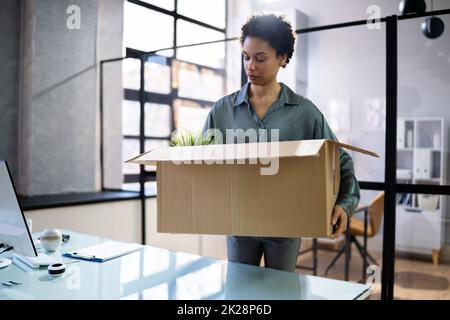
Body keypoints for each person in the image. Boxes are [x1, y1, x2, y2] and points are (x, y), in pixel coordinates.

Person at [202, 13, 360, 273]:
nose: (250, 66)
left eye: (260, 58)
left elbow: (340, 161)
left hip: (286, 225)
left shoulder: (305, 112)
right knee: (240, 292)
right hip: (239, 223)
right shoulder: (222, 111)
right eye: (246, 56)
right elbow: (201, 163)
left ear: (283, 58)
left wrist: (344, 204)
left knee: (282, 292)